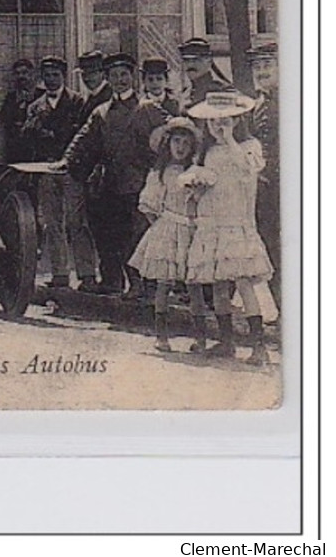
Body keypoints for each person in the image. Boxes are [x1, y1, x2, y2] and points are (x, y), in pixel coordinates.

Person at [61, 53, 170, 297]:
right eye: (113, 75)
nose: (119, 79)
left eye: (124, 74)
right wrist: (67, 160)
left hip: (138, 183)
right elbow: (83, 139)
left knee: (137, 236)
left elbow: (171, 134)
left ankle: (142, 284)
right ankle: (112, 281)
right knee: (108, 234)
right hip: (109, 183)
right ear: (107, 79)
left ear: (133, 77)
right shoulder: (101, 111)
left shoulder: (148, 109)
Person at [187, 91, 275, 363]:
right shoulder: (207, 151)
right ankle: (226, 341)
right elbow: (208, 182)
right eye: (213, 121)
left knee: (243, 281)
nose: (218, 125)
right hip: (213, 223)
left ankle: (258, 345)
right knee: (218, 286)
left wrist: (230, 141)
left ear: (236, 120)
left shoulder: (249, 146)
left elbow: (248, 171)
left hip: (236, 222)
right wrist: (196, 190)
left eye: (224, 120)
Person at [129, 117, 208, 352]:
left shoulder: (196, 172)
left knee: (194, 284)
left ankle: (200, 338)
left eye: (185, 142)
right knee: (164, 283)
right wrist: (160, 226)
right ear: (168, 144)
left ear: (192, 146)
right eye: (176, 141)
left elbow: (203, 203)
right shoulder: (160, 173)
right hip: (167, 229)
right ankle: (161, 336)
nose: (180, 147)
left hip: (192, 229)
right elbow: (149, 204)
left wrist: (197, 197)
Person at [20, 56, 96, 290]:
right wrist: (32, 129)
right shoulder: (35, 106)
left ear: (64, 76)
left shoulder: (78, 102)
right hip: (45, 169)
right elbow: (26, 139)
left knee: (77, 221)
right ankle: (60, 273)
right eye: (47, 75)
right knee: (52, 223)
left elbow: (83, 135)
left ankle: (86, 273)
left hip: (71, 170)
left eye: (56, 75)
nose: (51, 80)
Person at [249, 42, 280, 297]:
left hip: (285, 184)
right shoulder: (256, 102)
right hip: (264, 183)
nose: (262, 71)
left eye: (267, 65)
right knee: (270, 241)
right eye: (257, 66)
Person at [0, 58, 41, 163]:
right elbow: (5, 119)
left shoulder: (42, 95)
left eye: (25, 73)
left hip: (38, 147)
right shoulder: (10, 98)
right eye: (17, 73)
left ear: (33, 74)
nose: (21, 76)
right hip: (15, 148)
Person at [178, 37, 229, 111]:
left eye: (196, 60)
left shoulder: (221, 90)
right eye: (186, 60)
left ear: (209, 61)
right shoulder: (185, 93)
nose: (190, 65)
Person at [77, 50, 112, 115]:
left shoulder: (108, 96)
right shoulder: (92, 96)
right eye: (83, 74)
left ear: (103, 73)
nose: (86, 78)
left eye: (91, 73)